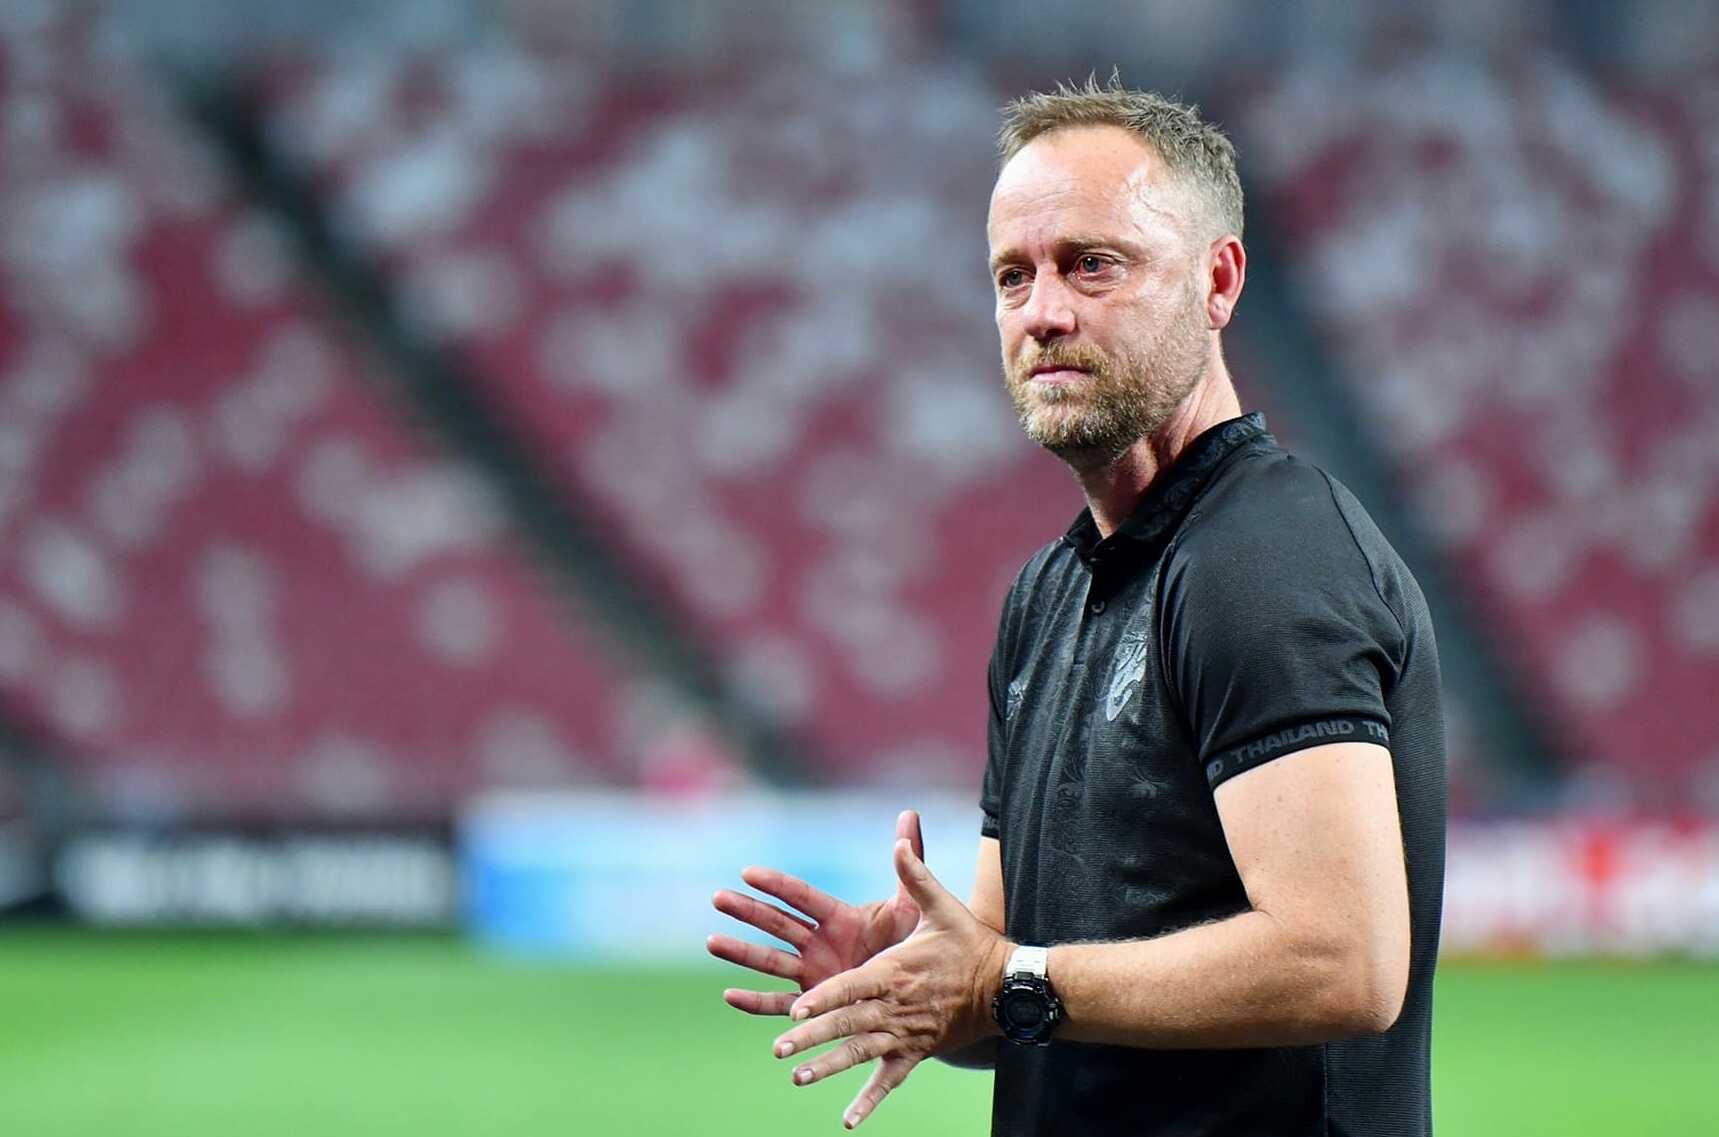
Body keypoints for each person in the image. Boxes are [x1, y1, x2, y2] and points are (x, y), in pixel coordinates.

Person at [708, 76, 1446, 1136]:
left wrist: (1005, 980)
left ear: (1217, 280)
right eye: (1013, 276)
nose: (1044, 312)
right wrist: (925, 976)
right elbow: (1020, 979)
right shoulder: (1048, 594)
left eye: (1092, 265)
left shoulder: (1270, 559)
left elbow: (1345, 962)